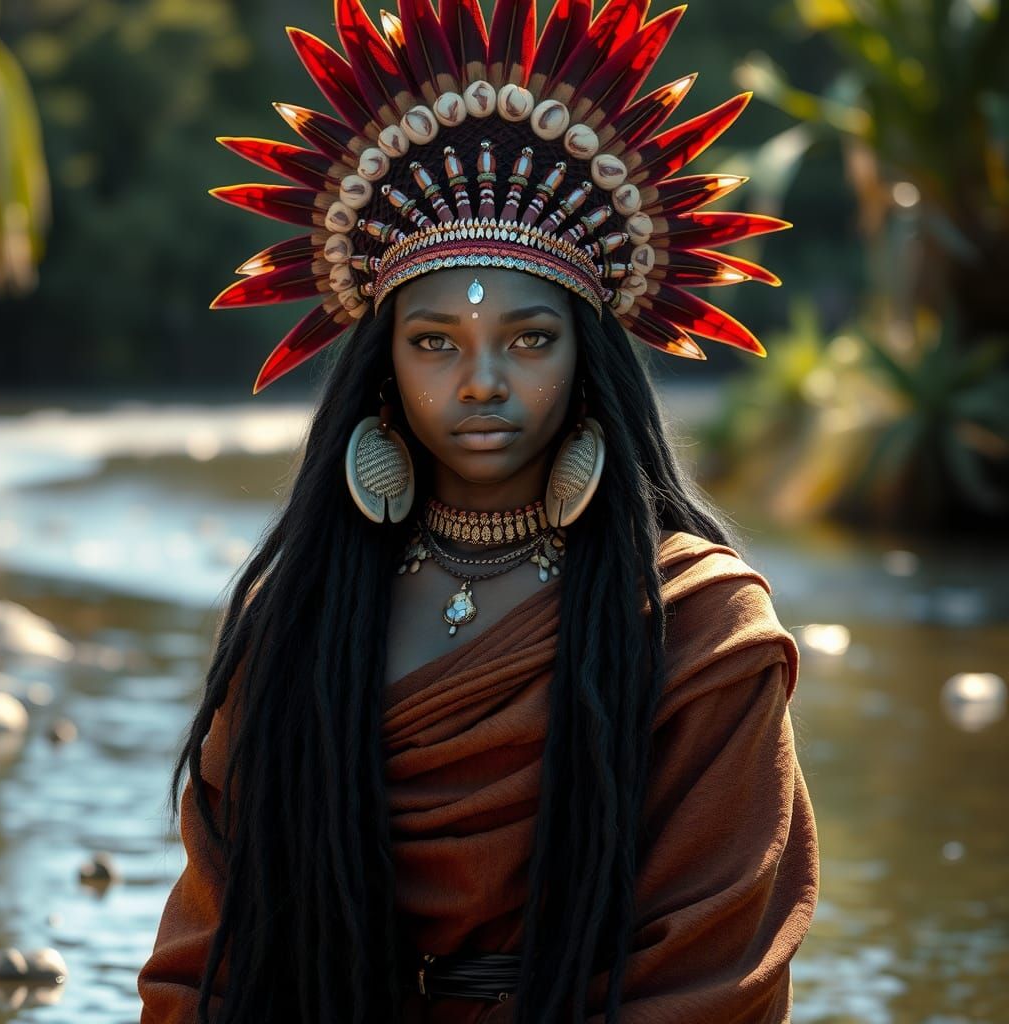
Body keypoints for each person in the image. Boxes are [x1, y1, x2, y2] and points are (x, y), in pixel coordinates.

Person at [137, 0, 819, 1021]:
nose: (482, 381)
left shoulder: (698, 625)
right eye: (435, 342)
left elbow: (712, 975)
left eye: (531, 339)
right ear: (384, 365)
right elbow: (208, 959)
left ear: (586, 359)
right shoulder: (302, 614)